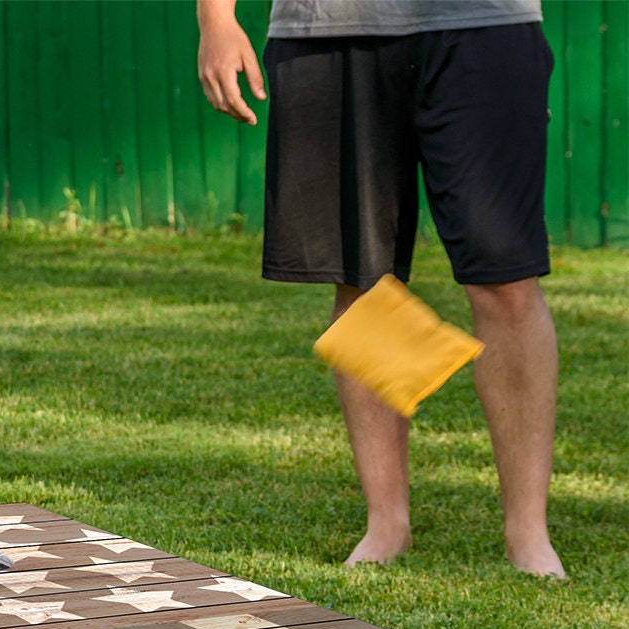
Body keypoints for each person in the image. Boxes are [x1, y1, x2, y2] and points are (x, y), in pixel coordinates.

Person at [197, 0, 566, 578]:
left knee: (506, 281)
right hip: (327, 26)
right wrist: (215, 19)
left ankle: (528, 533)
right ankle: (387, 523)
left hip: (484, 22)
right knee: (362, 279)